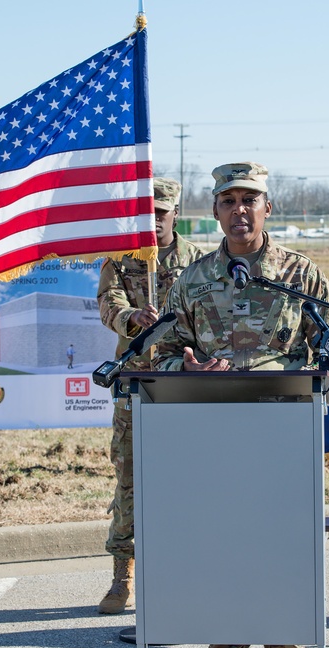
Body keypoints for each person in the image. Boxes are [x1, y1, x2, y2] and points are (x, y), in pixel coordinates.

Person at [153, 162, 329, 648]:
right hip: (213, 433)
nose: (239, 210)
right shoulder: (192, 281)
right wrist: (187, 367)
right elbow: (164, 350)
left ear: (268, 207)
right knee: (221, 540)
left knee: (282, 542)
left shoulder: (299, 274)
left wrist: (311, 390)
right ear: (215, 211)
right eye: (228, 201)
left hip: (283, 432)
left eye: (249, 200)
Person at [95, 176, 204, 614]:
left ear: (174, 214)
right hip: (136, 387)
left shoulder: (199, 260)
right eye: (145, 214)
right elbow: (108, 305)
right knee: (130, 483)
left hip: (186, 388)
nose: (152, 221)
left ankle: (188, 573)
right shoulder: (120, 260)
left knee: (190, 484)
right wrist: (131, 316)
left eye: (160, 214)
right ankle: (123, 575)